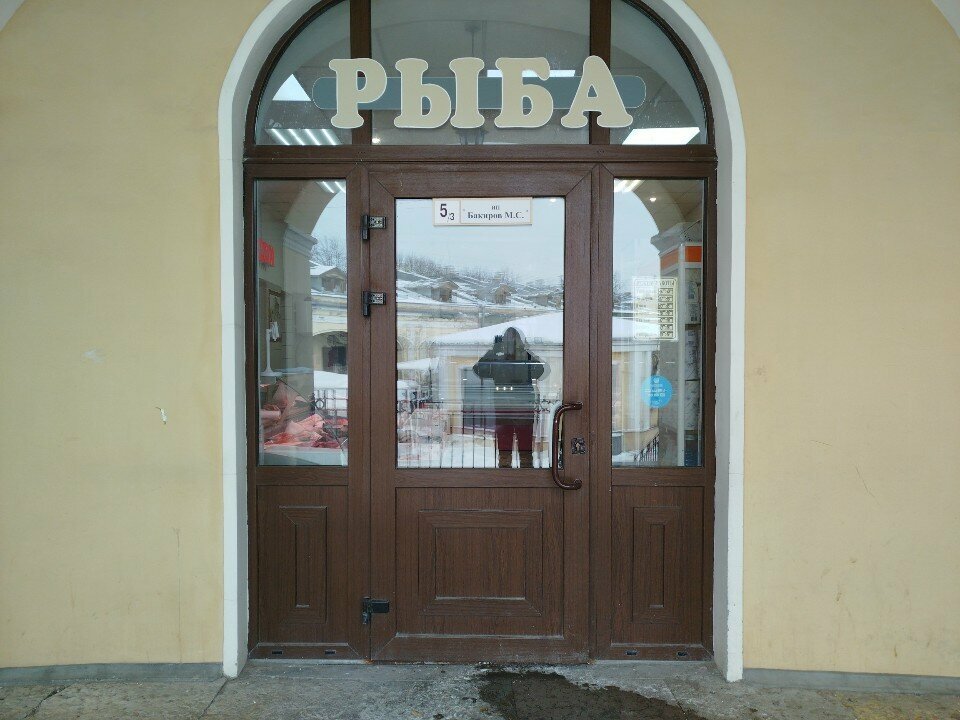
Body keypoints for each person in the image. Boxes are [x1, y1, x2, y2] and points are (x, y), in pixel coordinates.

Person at [472, 327, 548, 468]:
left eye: (512, 340)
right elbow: (478, 370)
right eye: (508, 340)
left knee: (515, 451)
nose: (511, 343)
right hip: (513, 409)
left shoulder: (515, 357)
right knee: (514, 450)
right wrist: (495, 351)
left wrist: (495, 351)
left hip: (512, 409)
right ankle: (516, 475)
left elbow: (540, 371)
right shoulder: (508, 357)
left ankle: (514, 475)